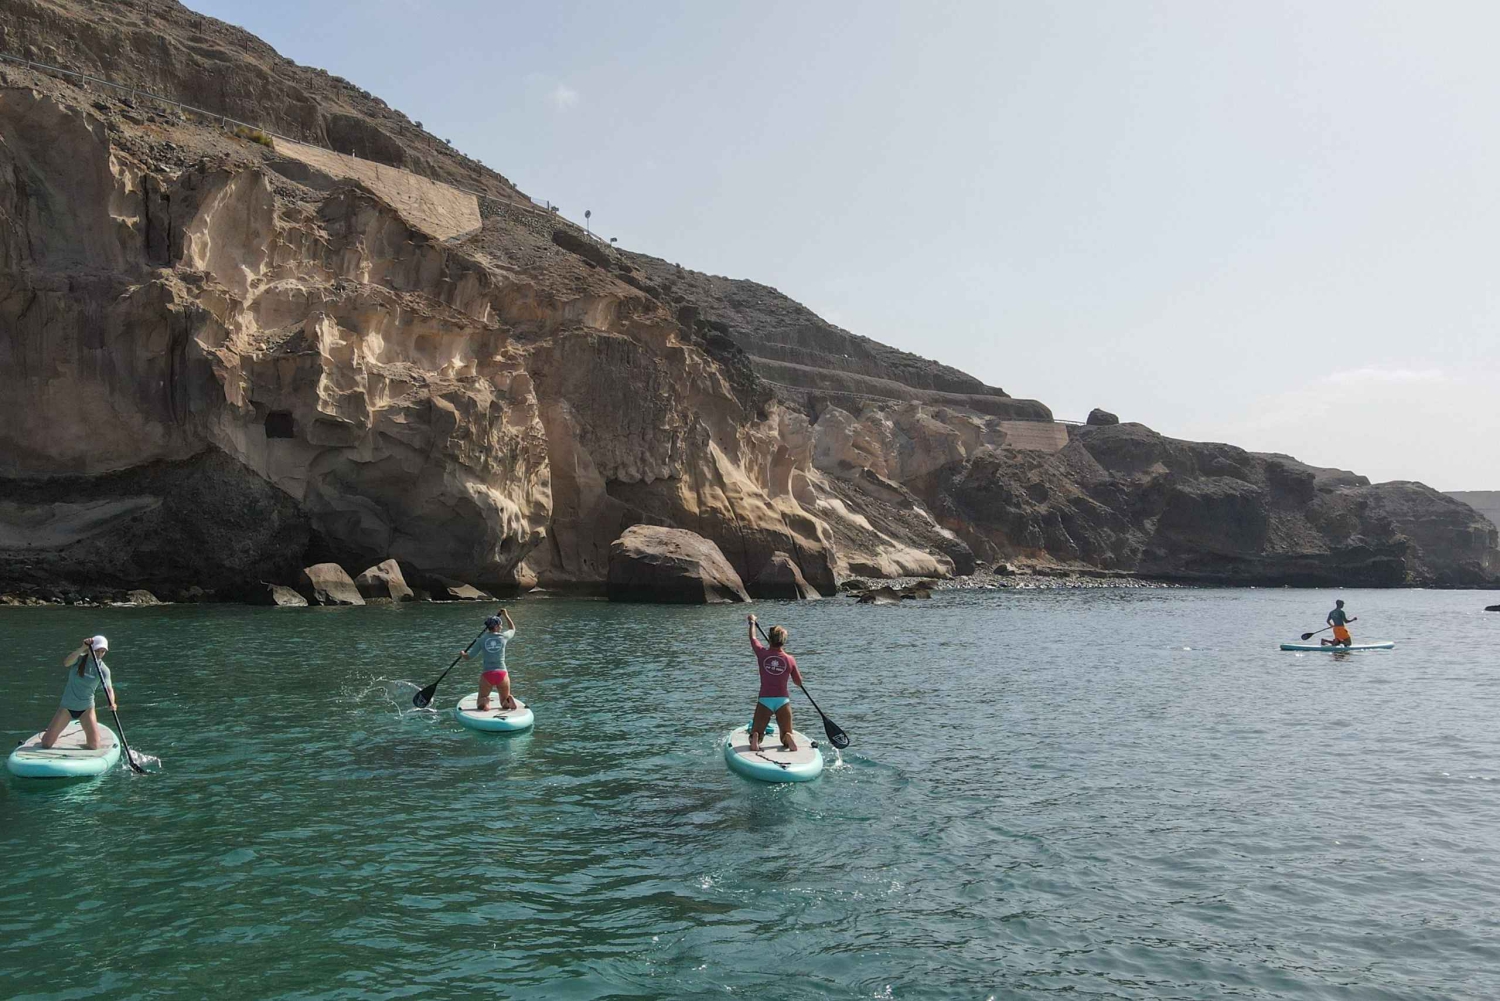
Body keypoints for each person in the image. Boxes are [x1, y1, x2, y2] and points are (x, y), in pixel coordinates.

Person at [40, 635, 115, 750]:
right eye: (97, 651)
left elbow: (109, 689)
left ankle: (82, 742)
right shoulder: (78, 659)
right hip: (67, 708)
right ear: (90, 649)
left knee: (94, 746)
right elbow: (66, 663)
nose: (99, 654)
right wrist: (83, 647)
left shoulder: (104, 670)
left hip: (86, 709)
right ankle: (49, 733)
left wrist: (112, 703)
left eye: (103, 651)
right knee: (46, 744)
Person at [747, 613, 804, 753]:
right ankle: (788, 737)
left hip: (765, 699)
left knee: (757, 731)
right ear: (783, 641)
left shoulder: (762, 654)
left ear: (770, 639)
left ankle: (756, 737)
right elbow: (798, 682)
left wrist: (752, 622)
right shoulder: (790, 659)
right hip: (782, 700)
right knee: (785, 733)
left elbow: (753, 638)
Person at [460, 610, 516, 711]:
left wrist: (463, 654)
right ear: (496, 626)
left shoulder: (481, 640)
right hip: (502, 673)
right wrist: (506, 615)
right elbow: (512, 629)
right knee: (503, 702)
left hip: (487, 674)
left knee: (480, 701)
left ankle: (485, 701)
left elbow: (469, 657)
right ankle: (508, 701)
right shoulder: (503, 637)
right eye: (500, 625)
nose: (501, 627)